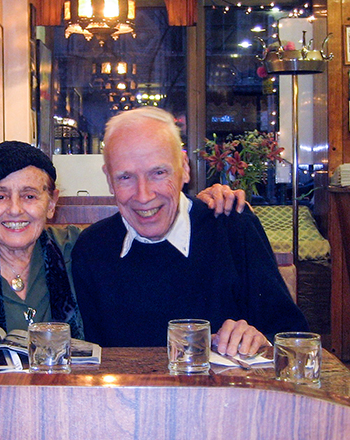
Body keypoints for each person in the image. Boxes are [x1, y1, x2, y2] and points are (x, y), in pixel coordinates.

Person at [0, 140, 244, 346]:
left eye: (30, 196)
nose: (15, 211)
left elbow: (149, 237)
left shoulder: (80, 250)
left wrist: (195, 206)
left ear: (52, 204)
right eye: (0, 196)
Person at [71, 107, 308, 357]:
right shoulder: (92, 248)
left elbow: (292, 338)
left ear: (185, 168)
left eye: (158, 173)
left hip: (222, 395)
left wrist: (259, 340)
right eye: (125, 177)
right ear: (109, 179)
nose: (144, 195)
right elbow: (92, 360)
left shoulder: (231, 227)